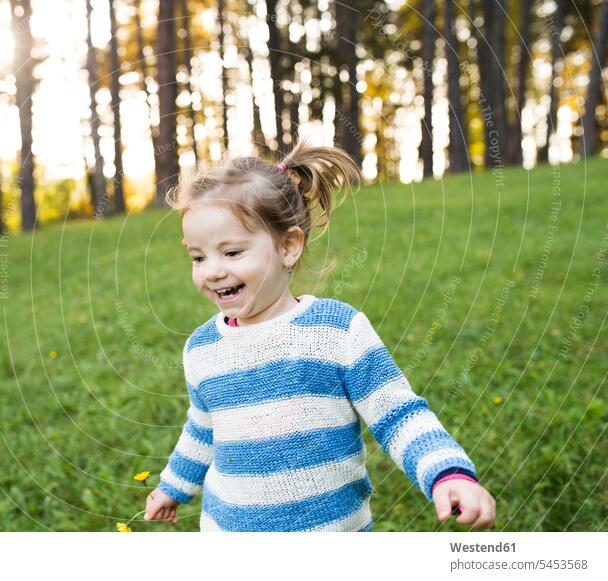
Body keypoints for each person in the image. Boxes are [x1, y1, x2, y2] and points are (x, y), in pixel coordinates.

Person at [143, 139, 496, 532]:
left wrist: (448, 473)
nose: (211, 271)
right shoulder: (202, 349)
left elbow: (397, 414)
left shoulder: (335, 332)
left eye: (231, 252)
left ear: (288, 246)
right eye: (198, 257)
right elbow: (202, 427)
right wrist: (173, 487)